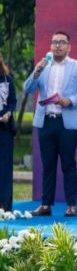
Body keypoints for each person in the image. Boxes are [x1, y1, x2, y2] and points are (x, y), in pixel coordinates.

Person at [23, 31, 77, 217]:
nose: (57, 46)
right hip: (46, 121)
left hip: (68, 123)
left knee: (68, 164)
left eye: (62, 42)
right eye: (54, 42)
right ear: (50, 46)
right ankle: (46, 205)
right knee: (48, 165)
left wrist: (70, 100)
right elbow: (27, 88)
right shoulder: (43, 66)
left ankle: (71, 205)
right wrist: (36, 71)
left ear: (69, 47)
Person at [0, 54, 16, 211]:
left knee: (4, 167)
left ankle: (4, 203)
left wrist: (8, 113)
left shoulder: (6, 79)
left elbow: (12, 101)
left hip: (4, 129)